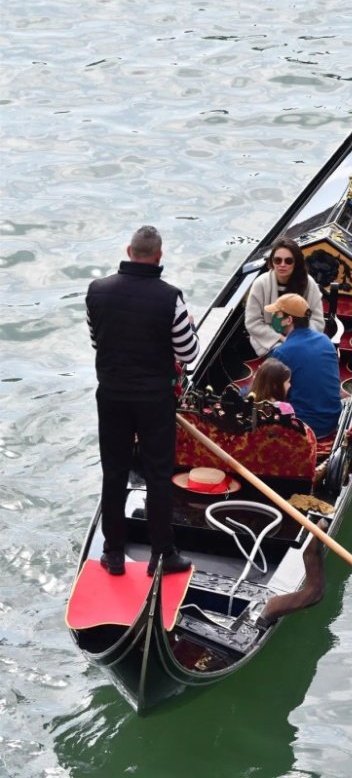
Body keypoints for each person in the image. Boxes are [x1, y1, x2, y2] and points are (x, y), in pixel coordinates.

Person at [86, 225, 200, 577]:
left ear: (128, 250)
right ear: (158, 256)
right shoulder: (170, 299)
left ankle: (114, 554)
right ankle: (162, 555)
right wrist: (189, 328)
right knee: (158, 476)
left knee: (114, 473)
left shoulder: (97, 291)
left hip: (112, 396)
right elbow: (190, 355)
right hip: (154, 401)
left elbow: (97, 341)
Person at [266, 293, 342, 439]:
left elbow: (264, 391)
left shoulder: (282, 353)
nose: (274, 317)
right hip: (332, 422)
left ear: (288, 320)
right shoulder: (325, 340)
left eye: (277, 314)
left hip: (305, 428)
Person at [245, 237, 325, 356]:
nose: (282, 265)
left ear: (296, 263)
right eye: (277, 260)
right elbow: (253, 322)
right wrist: (281, 339)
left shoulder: (309, 283)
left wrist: (297, 339)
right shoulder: (260, 283)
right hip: (269, 342)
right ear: (272, 262)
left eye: (288, 261)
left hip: (302, 339)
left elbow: (317, 321)